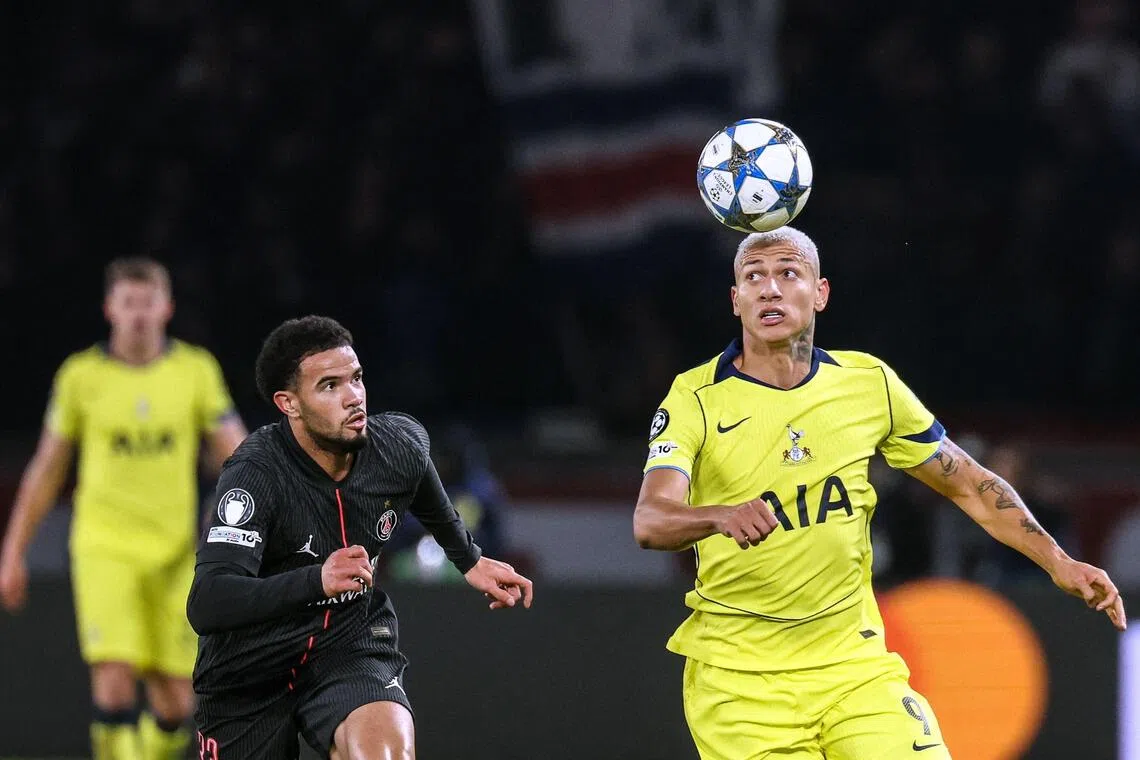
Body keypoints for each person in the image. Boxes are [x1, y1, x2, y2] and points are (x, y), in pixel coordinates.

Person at [632, 227, 1126, 760]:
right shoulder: (694, 398)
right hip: (741, 685)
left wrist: (1058, 561)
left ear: (820, 292)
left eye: (787, 274)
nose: (769, 289)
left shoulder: (869, 384)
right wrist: (718, 516)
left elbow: (971, 486)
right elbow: (650, 521)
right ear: (736, 301)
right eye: (754, 278)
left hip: (855, 670)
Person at [187, 315, 533, 760]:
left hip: (348, 645)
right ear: (288, 403)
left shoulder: (396, 445)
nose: (354, 398)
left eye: (356, 378)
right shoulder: (254, 476)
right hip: (250, 666)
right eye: (329, 386)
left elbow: (419, 475)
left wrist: (469, 558)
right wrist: (316, 580)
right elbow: (208, 601)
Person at [0, 257, 248, 760]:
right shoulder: (81, 376)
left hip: (176, 554)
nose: (138, 314)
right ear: (109, 309)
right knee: (113, 681)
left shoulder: (195, 371)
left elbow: (239, 454)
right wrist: (12, 551)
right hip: (104, 547)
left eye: (148, 302)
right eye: (128, 302)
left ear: (167, 308)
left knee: (177, 702)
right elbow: (48, 469)